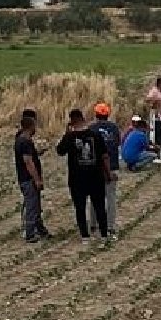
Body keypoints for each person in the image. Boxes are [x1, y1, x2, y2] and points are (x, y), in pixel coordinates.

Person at [56, 109, 113, 243]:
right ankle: (104, 234)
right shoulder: (95, 135)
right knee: (99, 206)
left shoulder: (70, 137)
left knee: (80, 208)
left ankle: (85, 236)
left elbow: (60, 151)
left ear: (71, 121)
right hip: (96, 177)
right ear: (83, 118)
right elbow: (105, 156)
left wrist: (66, 133)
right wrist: (108, 173)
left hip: (77, 179)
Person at [14, 109, 49, 243]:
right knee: (31, 205)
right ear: (31, 126)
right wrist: (37, 179)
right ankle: (30, 233)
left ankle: (40, 229)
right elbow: (28, 162)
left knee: (35, 205)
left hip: (25, 178)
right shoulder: (25, 142)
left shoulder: (20, 140)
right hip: (28, 179)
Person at [88, 102, 121, 237]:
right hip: (112, 167)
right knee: (111, 197)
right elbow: (118, 143)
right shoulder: (114, 128)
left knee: (95, 197)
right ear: (107, 114)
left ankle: (93, 224)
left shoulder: (91, 129)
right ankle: (110, 226)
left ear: (96, 115)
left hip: (94, 169)